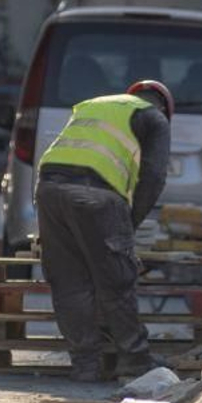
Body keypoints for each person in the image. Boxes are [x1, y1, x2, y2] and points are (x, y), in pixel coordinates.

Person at [36, 80, 174, 382]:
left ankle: (86, 365)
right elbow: (152, 177)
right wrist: (128, 228)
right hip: (96, 194)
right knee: (116, 280)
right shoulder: (154, 118)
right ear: (163, 105)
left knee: (69, 282)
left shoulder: (94, 104)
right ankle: (135, 359)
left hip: (48, 189)